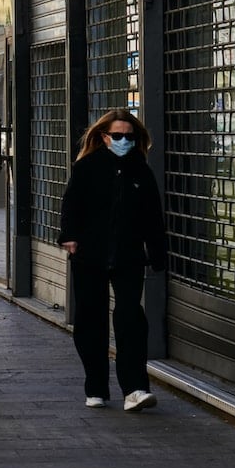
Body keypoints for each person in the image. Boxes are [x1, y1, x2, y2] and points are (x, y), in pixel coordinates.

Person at [57, 109, 168, 412]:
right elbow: (71, 204)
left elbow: (153, 217)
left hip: (128, 255)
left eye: (129, 137)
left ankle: (135, 388)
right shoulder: (87, 167)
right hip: (89, 255)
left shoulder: (140, 171)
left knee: (130, 317)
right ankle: (95, 386)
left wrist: (157, 254)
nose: (123, 141)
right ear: (104, 136)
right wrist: (68, 236)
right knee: (90, 321)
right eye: (117, 136)